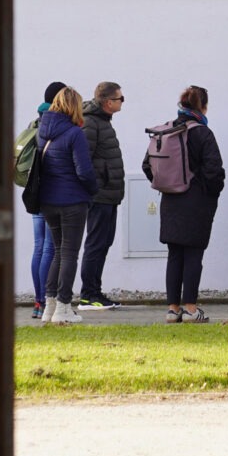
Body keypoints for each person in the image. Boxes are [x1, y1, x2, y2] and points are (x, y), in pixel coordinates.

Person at [142, 85, 225, 323]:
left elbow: (147, 166)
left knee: (175, 253)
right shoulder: (202, 133)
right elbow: (214, 171)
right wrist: (211, 193)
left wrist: (167, 184)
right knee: (193, 255)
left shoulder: (166, 131)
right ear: (204, 106)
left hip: (171, 199)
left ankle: (172, 309)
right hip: (197, 200)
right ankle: (191, 309)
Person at [37, 87, 101, 324]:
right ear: (74, 107)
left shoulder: (43, 132)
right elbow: (83, 171)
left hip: (48, 201)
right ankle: (63, 308)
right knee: (70, 254)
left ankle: (49, 307)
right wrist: (94, 190)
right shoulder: (75, 134)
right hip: (72, 201)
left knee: (56, 252)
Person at [77, 81, 126, 311]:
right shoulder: (92, 123)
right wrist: (94, 188)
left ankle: (96, 292)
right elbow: (83, 160)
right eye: (120, 99)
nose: (122, 102)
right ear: (108, 102)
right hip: (99, 196)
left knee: (104, 243)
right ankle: (88, 295)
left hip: (109, 195)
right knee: (96, 244)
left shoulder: (102, 122)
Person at [27, 80, 66, 318]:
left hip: (34, 192)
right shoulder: (56, 123)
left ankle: (37, 302)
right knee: (51, 248)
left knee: (39, 246)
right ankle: (46, 300)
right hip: (52, 193)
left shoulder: (35, 121)